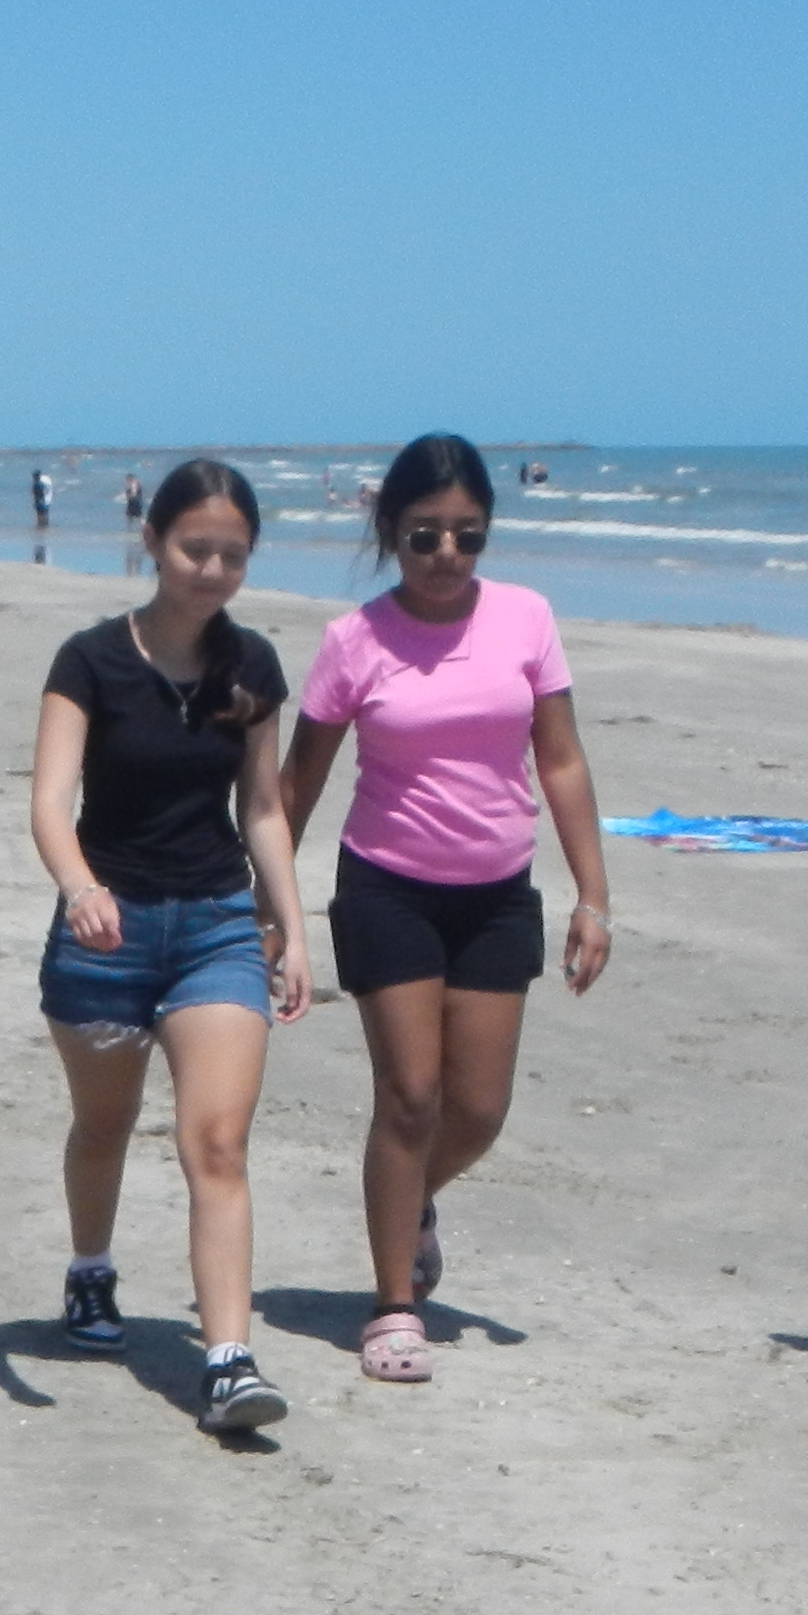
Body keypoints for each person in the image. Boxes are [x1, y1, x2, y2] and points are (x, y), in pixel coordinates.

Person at [281, 433, 611, 1383]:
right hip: (386, 885)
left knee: (478, 1108)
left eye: (468, 537)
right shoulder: (356, 640)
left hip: (499, 892)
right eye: (425, 536)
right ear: (391, 531)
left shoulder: (526, 620)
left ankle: (407, 1204)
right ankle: (392, 1305)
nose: (446, 558)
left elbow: (561, 759)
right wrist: (268, 902)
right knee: (411, 1097)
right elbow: (298, 783)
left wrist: (594, 896)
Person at [29, 460, 309, 1435]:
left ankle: (228, 1360)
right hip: (105, 931)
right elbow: (49, 801)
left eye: (233, 554)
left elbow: (264, 810)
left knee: (217, 1143)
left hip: (216, 928)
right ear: (153, 542)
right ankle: (90, 1270)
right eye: (197, 549)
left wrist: (293, 927)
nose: (214, 570)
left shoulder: (254, 669)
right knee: (103, 1127)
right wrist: (79, 887)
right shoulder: (90, 660)